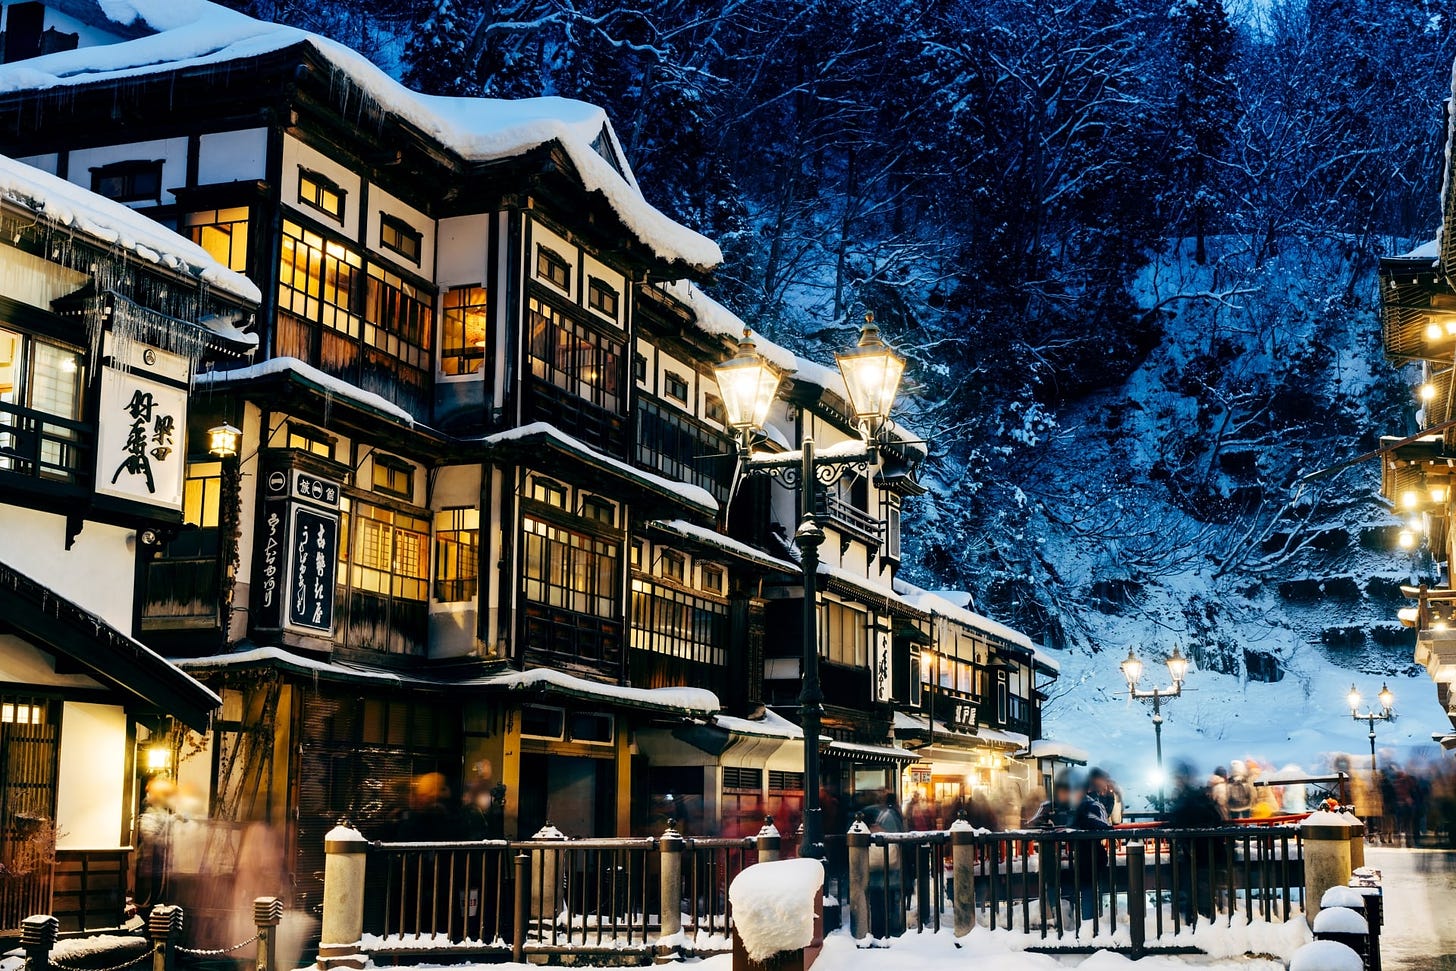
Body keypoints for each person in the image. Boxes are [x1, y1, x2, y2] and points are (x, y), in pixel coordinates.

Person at [1166, 761, 1225, 923]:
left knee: (1198, 889)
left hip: (1199, 853)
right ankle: (1200, 926)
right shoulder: (1196, 797)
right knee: (1197, 889)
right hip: (1198, 853)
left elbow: (1182, 819)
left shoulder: (1189, 799)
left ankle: (1200, 927)